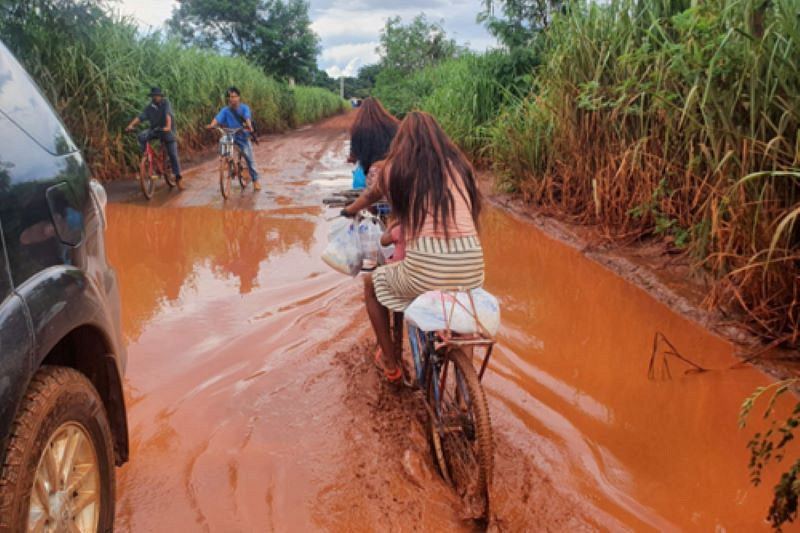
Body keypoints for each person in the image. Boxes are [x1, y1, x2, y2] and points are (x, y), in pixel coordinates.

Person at [342, 112, 484, 383]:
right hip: (472, 267)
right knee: (463, 313)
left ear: (403, 141)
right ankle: (467, 395)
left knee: (372, 284)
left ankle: (391, 363)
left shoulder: (398, 169)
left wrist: (349, 211)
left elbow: (371, 196)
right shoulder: (462, 168)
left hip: (425, 269)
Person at [125, 87, 185, 189]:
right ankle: (146, 160)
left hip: (167, 131)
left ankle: (178, 177)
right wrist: (131, 125)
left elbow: (168, 115)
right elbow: (141, 116)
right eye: (153, 96)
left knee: (173, 154)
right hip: (156, 130)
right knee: (141, 136)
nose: (155, 98)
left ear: (160, 96)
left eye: (156, 96)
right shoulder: (150, 107)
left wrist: (168, 126)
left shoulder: (166, 104)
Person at [206, 86, 262, 192]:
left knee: (249, 159)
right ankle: (229, 165)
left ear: (238, 97)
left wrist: (249, 126)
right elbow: (217, 118)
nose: (232, 99)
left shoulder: (244, 108)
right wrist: (212, 125)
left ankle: (255, 181)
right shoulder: (225, 110)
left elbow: (247, 117)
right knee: (225, 151)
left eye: (234, 96)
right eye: (230, 97)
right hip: (229, 135)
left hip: (242, 136)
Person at [347, 97, 398, 189]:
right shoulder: (393, 125)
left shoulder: (357, 129)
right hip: (388, 172)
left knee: (359, 182)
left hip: (365, 173)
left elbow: (354, 156)